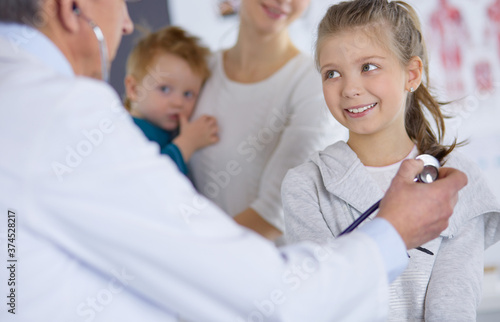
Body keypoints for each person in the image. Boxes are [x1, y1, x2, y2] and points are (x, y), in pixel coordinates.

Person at [0, 0, 467, 321]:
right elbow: (269, 293)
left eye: (370, 67)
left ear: (412, 74)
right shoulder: (65, 113)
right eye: (118, 1)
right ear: (70, 7)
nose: (126, 23)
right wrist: (392, 233)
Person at [282, 1, 500, 321]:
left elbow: (451, 309)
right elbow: (324, 305)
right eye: (332, 73)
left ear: (411, 74)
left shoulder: (456, 177)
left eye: (368, 66)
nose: (350, 89)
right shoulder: (306, 185)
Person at [189, 0, 348, 241]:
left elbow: (274, 214)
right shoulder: (200, 70)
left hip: (267, 272)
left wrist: (185, 253)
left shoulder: (315, 85)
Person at [123, 26, 218, 177]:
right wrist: (187, 144)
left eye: (188, 94)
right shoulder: (127, 131)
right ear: (134, 89)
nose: (178, 103)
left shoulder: (170, 131)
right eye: (165, 89)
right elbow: (152, 178)